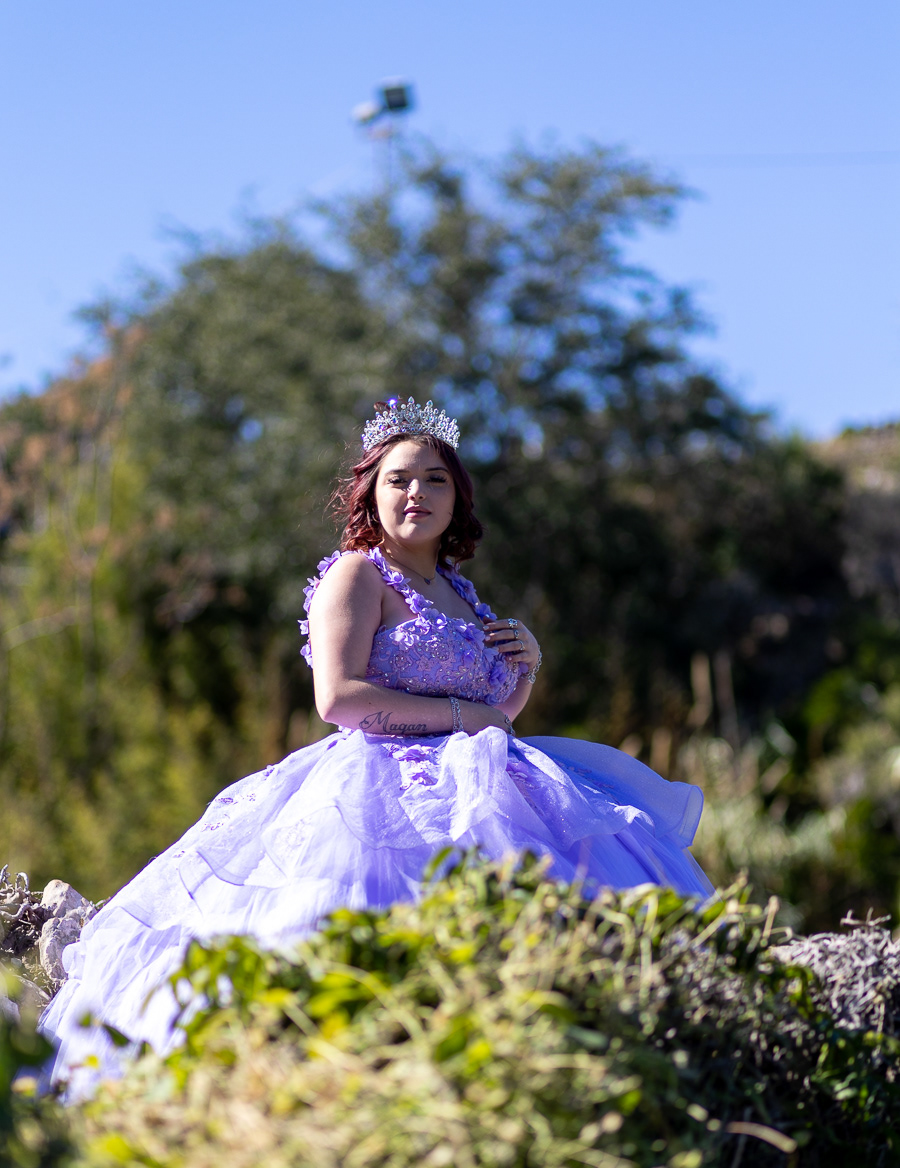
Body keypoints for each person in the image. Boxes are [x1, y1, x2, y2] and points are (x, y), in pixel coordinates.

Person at [39, 396, 714, 1095]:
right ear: (372, 492)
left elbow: (496, 719)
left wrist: (527, 668)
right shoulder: (356, 575)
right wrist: (461, 716)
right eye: (399, 479)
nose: (416, 493)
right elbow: (337, 699)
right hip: (377, 784)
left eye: (434, 480)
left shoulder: (459, 590)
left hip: (489, 777)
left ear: (458, 498)